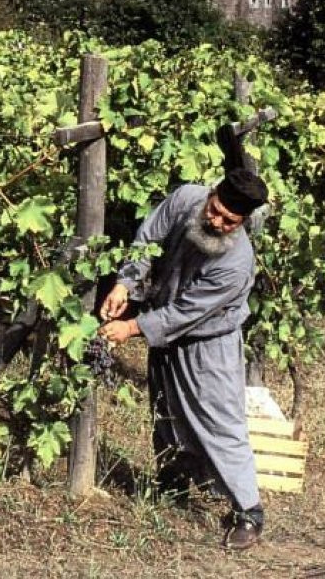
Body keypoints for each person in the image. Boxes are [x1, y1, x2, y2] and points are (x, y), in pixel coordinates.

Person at [97, 168, 269, 550]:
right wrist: (125, 283)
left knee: (218, 420)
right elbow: (147, 239)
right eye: (216, 210)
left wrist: (131, 328)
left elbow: (187, 313)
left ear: (242, 223)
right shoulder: (185, 199)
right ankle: (174, 481)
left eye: (229, 221)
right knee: (166, 410)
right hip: (165, 326)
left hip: (210, 341)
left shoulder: (236, 263)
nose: (217, 221)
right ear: (210, 194)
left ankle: (248, 511)